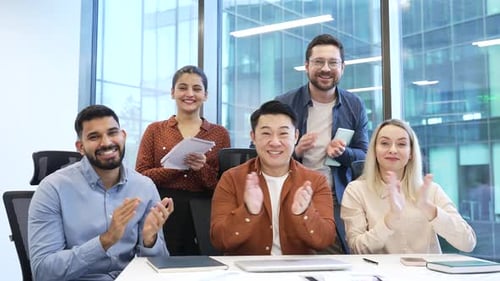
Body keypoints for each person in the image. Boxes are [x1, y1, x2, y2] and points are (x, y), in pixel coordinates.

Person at [29, 105, 173, 281]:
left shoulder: (144, 186)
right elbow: (43, 272)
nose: (106, 142)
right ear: (80, 147)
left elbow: (159, 267)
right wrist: (106, 240)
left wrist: (149, 241)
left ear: (123, 136)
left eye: (112, 133)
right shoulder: (52, 189)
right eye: (94, 137)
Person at [275, 33, 369, 253]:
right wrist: (295, 151)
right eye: (318, 62)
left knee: (333, 258)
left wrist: (343, 154)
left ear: (342, 67)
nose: (326, 68)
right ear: (307, 66)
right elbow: (260, 152)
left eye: (333, 62)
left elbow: (364, 155)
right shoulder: (283, 103)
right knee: (289, 256)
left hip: (334, 196)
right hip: (290, 192)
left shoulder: (354, 105)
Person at [210, 100, 335, 255]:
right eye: (266, 133)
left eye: (283, 133)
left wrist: (305, 214)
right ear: (253, 137)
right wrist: (248, 211)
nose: (275, 142)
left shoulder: (315, 181)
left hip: (296, 271)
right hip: (246, 272)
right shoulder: (231, 179)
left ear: (295, 136)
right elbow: (219, 240)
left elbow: (325, 240)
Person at [341, 119, 477, 254]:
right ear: (374, 151)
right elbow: (357, 249)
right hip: (380, 273)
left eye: (401, 144)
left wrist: (430, 209)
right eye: (384, 143)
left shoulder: (431, 190)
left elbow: (468, 242)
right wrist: (390, 220)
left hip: (426, 273)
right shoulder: (356, 190)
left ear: (411, 153)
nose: (393, 150)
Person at [136, 65, 231, 255]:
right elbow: (141, 177)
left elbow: (223, 187)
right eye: (182, 88)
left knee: (204, 267)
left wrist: (201, 168)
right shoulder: (155, 130)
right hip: (163, 207)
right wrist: (175, 166)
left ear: (206, 95)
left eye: (197, 89)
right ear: (172, 93)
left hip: (205, 210)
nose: (190, 94)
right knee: (163, 264)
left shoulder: (219, 134)